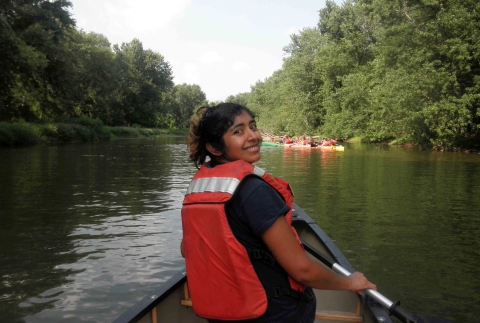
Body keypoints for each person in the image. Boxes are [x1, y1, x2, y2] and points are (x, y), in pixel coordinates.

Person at [180, 103, 376, 323]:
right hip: (276, 314)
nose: (253, 136)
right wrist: (350, 282)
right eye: (238, 131)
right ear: (214, 149)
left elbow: (185, 249)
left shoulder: (198, 190)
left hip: (222, 314)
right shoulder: (254, 191)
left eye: (252, 126)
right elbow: (303, 271)